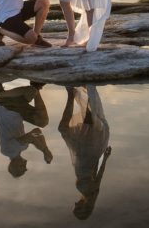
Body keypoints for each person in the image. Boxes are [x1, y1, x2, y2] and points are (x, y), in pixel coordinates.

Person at [58, 85, 112, 220]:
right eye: (77, 207)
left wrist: (105, 158)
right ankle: (79, 91)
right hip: (89, 151)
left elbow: (98, 174)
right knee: (88, 118)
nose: (76, 203)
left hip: (82, 153)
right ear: (83, 207)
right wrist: (105, 158)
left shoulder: (89, 193)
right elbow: (99, 174)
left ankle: (77, 92)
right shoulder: (90, 192)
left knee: (72, 124)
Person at [0, 81, 53, 178]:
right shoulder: (22, 147)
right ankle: (35, 86)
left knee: (42, 120)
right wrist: (44, 149)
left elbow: (31, 136)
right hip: (14, 111)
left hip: (6, 108)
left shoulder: (8, 151)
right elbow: (37, 132)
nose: (25, 164)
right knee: (32, 93)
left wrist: (45, 150)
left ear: (15, 165)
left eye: (23, 167)